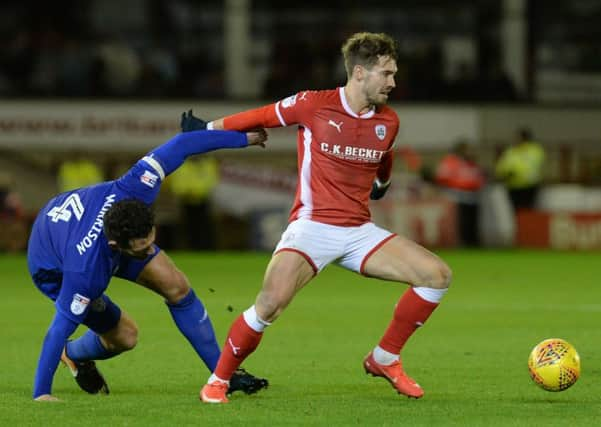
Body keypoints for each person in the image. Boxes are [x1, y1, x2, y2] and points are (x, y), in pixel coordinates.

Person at [182, 31, 452, 404]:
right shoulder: (313, 104)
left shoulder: (388, 121)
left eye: (394, 74)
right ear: (359, 72)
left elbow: (385, 154)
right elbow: (260, 116)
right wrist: (207, 130)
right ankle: (218, 380)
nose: (393, 82)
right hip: (311, 228)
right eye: (386, 73)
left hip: (358, 232)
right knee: (269, 304)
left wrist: (383, 182)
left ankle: (385, 358)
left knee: (436, 276)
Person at [28, 127, 269, 401]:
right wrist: (42, 395)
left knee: (176, 286)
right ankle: (71, 353)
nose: (150, 249)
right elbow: (58, 328)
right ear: (117, 247)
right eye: (143, 249)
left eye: (151, 239)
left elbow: (182, 143)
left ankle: (223, 375)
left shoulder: (138, 185)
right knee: (125, 337)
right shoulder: (85, 272)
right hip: (53, 266)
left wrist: (242, 138)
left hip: (85, 230)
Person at [434, 140, 486, 247]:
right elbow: (442, 177)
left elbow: (478, 178)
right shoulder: (451, 161)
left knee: (473, 222)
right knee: (461, 222)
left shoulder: (471, 163)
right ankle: (462, 243)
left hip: (473, 196)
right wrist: (462, 185)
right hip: (458, 197)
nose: (469, 152)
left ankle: (473, 243)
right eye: (466, 149)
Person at [495, 127, 545, 211]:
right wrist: (504, 173)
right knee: (516, 212)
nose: (515, 139)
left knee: (527, 212)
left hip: (529, 187)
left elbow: (532, 167)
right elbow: (502, 166)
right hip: (513, 186)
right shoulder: (511, 151)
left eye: (517, 137)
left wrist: (515, 173)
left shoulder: (535, 150)